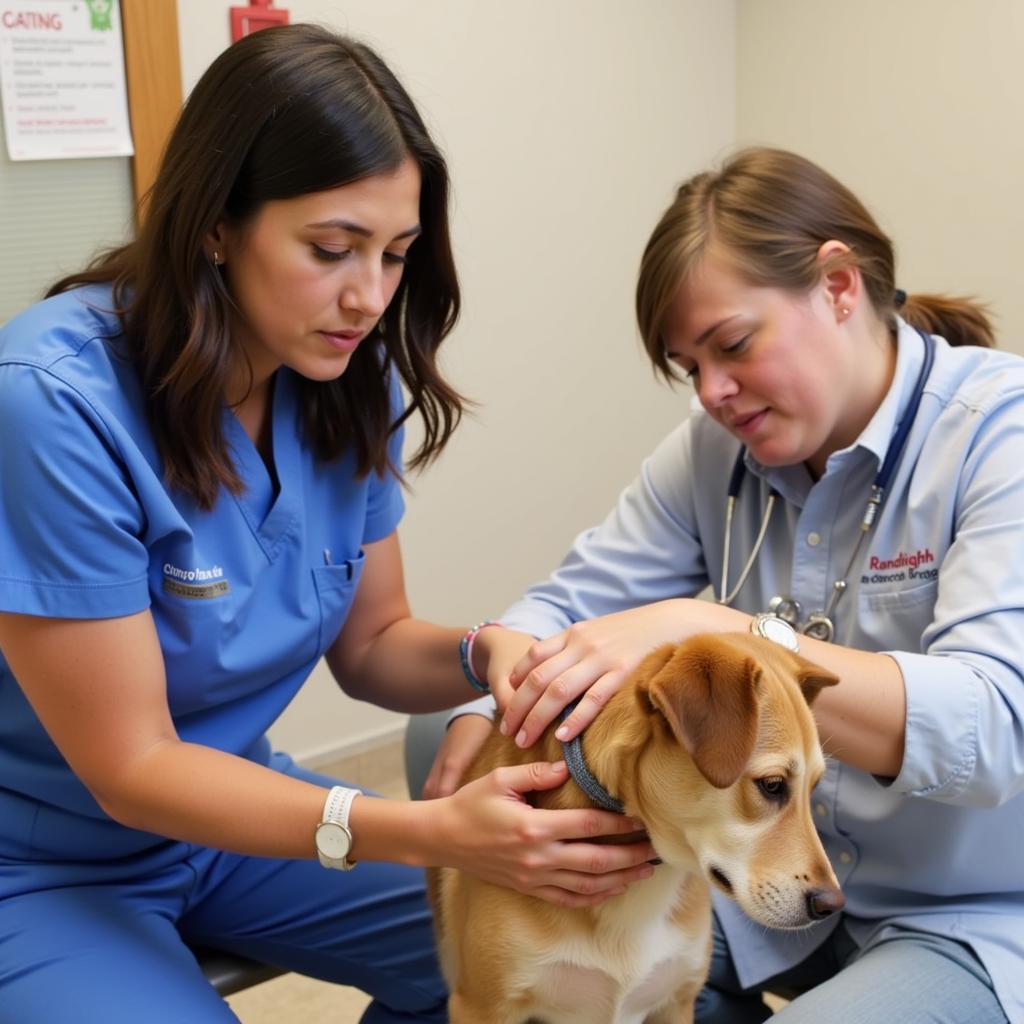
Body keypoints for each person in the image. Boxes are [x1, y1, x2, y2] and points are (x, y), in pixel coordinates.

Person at [0, 24, 658, 1024]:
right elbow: (131, 768)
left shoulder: (342, 378)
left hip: (228, 814)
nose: (368, 297)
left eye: (394, 255)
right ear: (216, 223)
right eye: (330, 249)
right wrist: (425, 830)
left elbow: (375, 645)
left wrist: (490, 652)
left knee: (530, 959)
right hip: (43, 858)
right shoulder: (54, 404)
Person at [422, 147, 1023, 1024]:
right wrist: (491, 701)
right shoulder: (718, 452)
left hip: (955, 914)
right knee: (444, 742)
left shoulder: (998, 434)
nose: (713, 392)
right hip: (759, 897)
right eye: (687, 366)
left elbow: (999, 722)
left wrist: (727, 631)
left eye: (733, 345)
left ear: (840, 285)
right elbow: (563, 608)